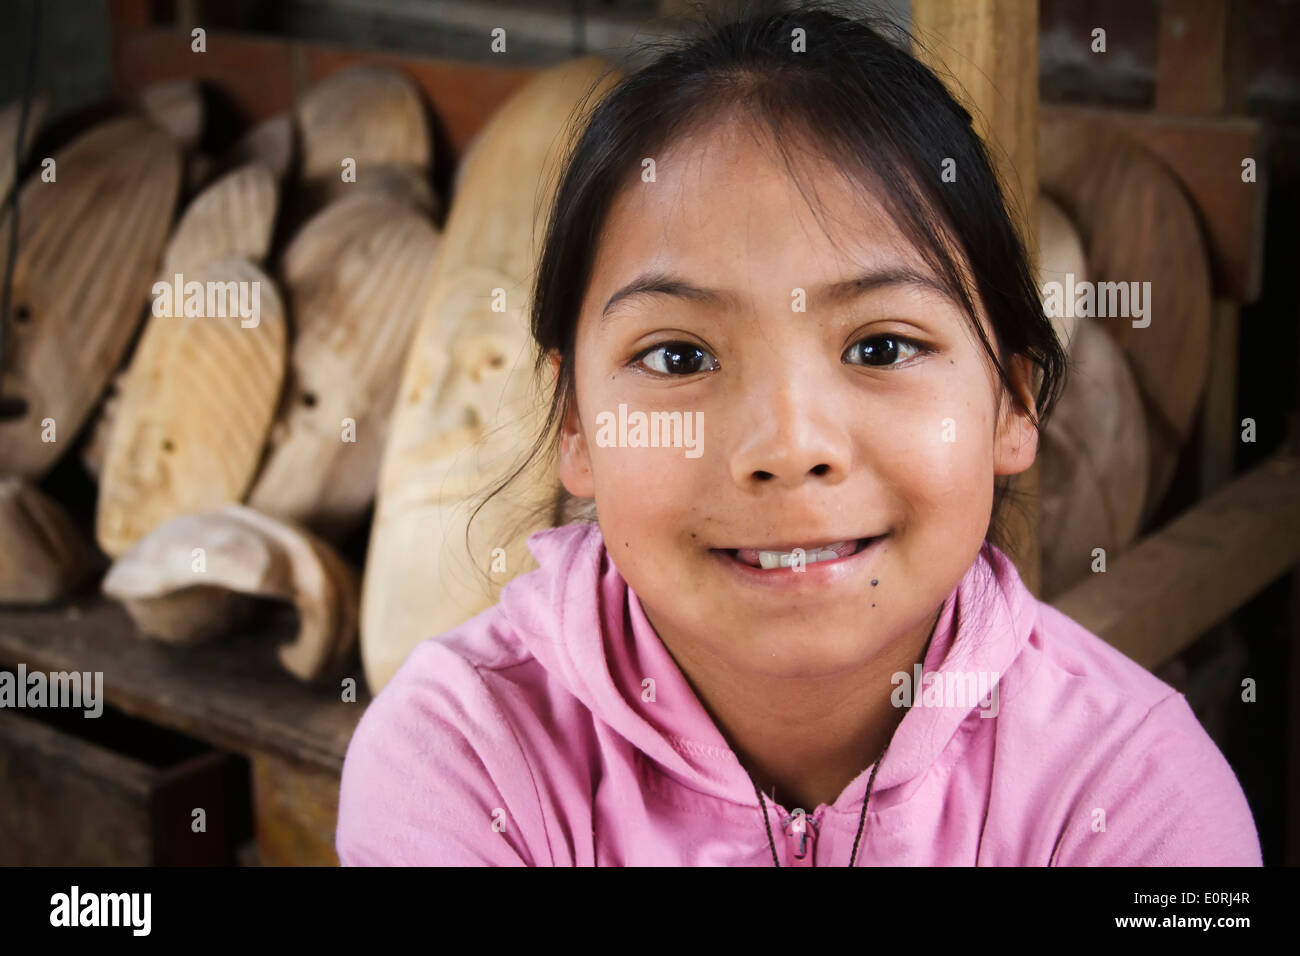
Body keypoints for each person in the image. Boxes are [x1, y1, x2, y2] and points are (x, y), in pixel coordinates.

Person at [335, 1, 1262, 866]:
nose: (787, 445)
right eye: (679, 358)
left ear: (1013, 404)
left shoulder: (1134, 796)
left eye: (884, 344)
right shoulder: (462, 759)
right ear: (575, 422)